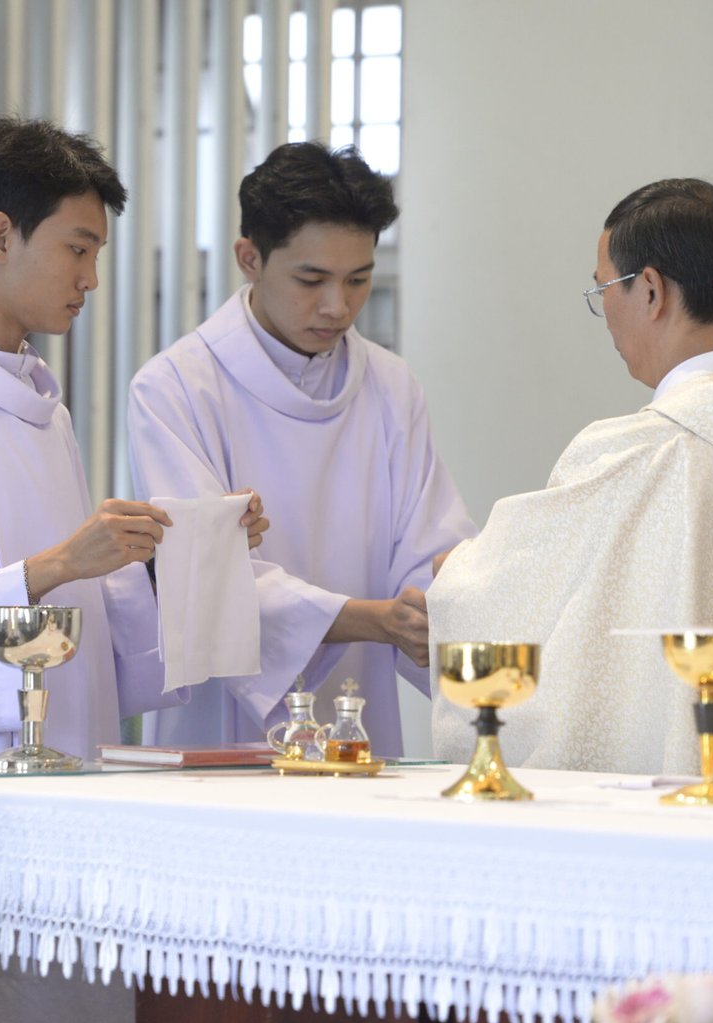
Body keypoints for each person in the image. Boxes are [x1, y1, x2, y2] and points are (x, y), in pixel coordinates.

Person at [0, 117, 267, 769]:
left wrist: (172, 556)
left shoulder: (44, 411)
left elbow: (86, 629)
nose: (91, 278)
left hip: (61, 766)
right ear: (0, 237)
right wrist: (60, 564)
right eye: (78, 249)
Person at [427, 178, 713, 775]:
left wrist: (452, 575)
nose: (604, 311)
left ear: (652, 290)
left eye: (604, 287)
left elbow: (504, 600)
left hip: (677, 815)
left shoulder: (642, 451)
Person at [127, 142, 476, 755]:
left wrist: (433, 606)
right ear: (249, 258)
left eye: (358, 279)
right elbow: (204, 581)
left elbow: (429, 547)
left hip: (357, 719)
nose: (337, 306)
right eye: (311, 280)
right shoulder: (175, 387)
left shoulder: (391, 386)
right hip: (223, 735)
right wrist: (373, 620)